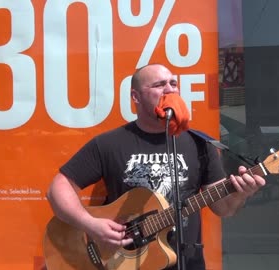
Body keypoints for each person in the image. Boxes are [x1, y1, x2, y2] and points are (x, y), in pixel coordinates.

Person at [46, 64, 266, 269]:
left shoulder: (200, 144)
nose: (169, 90)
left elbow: (223, 208)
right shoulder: (109, 143)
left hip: (186, 263)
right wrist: (90, 225)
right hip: (122, 261)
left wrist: (240, 194)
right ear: (136, 97)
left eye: (173, 84)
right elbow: (58, 188)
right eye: (159, 85)